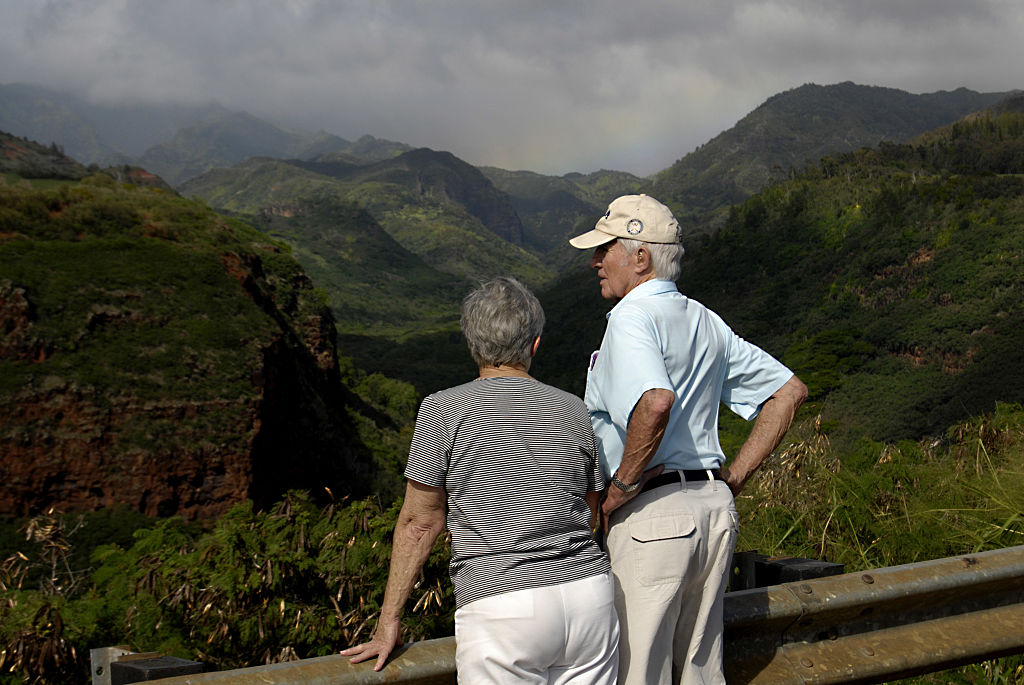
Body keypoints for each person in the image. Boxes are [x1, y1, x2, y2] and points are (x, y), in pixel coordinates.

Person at [568, 194, 808, 685]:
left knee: (641, 673)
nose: (595, 261)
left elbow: (656, 401)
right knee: (701, 672)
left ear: (640, 257)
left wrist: (621, 487)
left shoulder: (631, 317)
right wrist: (732, 479)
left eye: (604, 249)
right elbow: (788, 392)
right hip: (713, 509)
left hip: (652, 516)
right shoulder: (705, 319)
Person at [342, 276, 619, 683]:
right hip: (588, 596)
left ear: (473, 345)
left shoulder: (443, 410)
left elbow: (419, 524)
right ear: (534, 345)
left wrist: (388, 623)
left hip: (501, 603)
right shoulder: (573, 408)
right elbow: (589, 509)